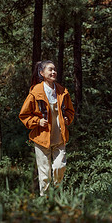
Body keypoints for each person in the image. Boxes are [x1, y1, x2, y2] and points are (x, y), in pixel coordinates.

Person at [19, 60, 75, 196]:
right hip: (42, 138)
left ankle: (56, 194)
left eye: (54, 69)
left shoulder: (62, 91)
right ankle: (45, 201)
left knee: (59, 167)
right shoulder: (35, 92)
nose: (53, 72)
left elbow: (70, 111)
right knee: (44, 173)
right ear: (42, 73)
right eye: (50, 70)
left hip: (59, 136)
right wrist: (37, 122)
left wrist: (67, 118)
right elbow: (24, 114)